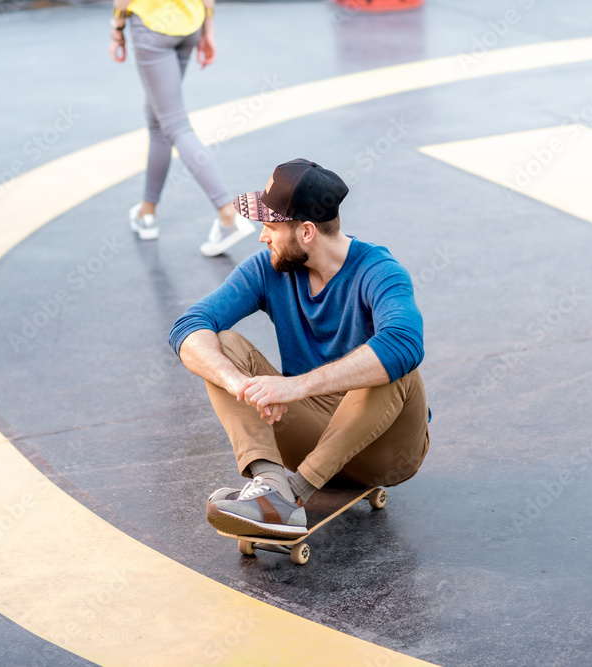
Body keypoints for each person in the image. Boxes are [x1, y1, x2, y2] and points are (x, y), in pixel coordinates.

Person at [168, 159, 430, 538]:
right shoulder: (268, 268)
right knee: (221, 345)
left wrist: (297, 386)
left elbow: (406, 342)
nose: (262, 236)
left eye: (271, 226)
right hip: (310, 435)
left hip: (385, 448)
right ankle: (272, 487)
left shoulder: (379, 271)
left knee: (395, 363)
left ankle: (293, 493)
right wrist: (237, 383)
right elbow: (189, 326)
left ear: (306, 231)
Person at [108, 0, 254, 256]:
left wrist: (117, 28)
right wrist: (208, 30)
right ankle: (147, 211)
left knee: (174, 124)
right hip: (189, 22)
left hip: (152, 25)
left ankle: (228, 216)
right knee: (158, 119)